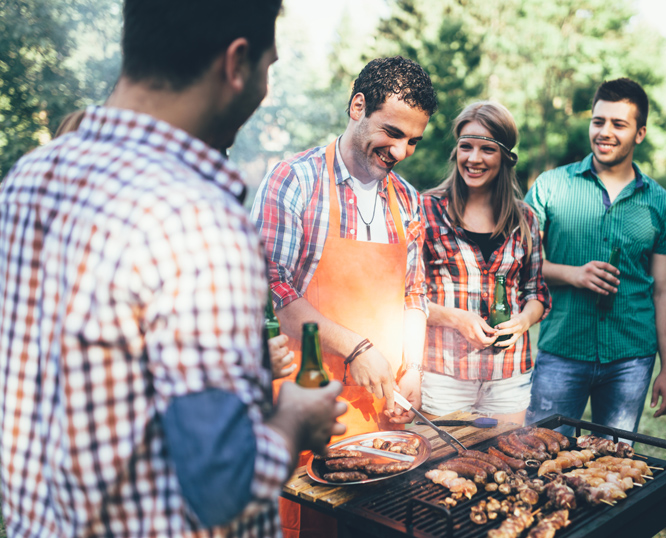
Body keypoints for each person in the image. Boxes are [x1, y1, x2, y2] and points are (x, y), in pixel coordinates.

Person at [0, 0, 348, 536]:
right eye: (268, 67)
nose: (266, 90)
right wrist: (296, 418)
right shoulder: (197, 219)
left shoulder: (27, 180)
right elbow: (220, 485)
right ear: (235, 63)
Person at [250, 56, 437, 538]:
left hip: (381, 405)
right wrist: (355, 347)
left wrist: (412, 368)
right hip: (307, 401)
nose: (402, 151)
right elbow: (273, 289)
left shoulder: (408, 199)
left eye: (413, 140)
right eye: (392, 132)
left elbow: (414, 292)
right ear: (358, 106)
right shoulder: (294, 181)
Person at [524, 77, 666, 435]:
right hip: (563, 349)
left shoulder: (661, 203)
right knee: (542, 457)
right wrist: (573, 274)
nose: (605, 132)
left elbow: (665, 290)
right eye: (598, 122)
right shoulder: (550, 187)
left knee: (612, 469)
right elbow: (522, 265)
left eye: (618, 124)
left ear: (639, 133)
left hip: (631, 357)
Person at [420, 101, 550, 424]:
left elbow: (538, 293)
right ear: (456, 152)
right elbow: (404, 296)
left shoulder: (526, 219)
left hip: (508, 374)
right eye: (466, 146)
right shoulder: (426, 210)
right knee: (443, 470)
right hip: (444, 372)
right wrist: (455, 318)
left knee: (506, 468)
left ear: (506, 157)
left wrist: (522, 322)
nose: (473, 158)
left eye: (487, 149)